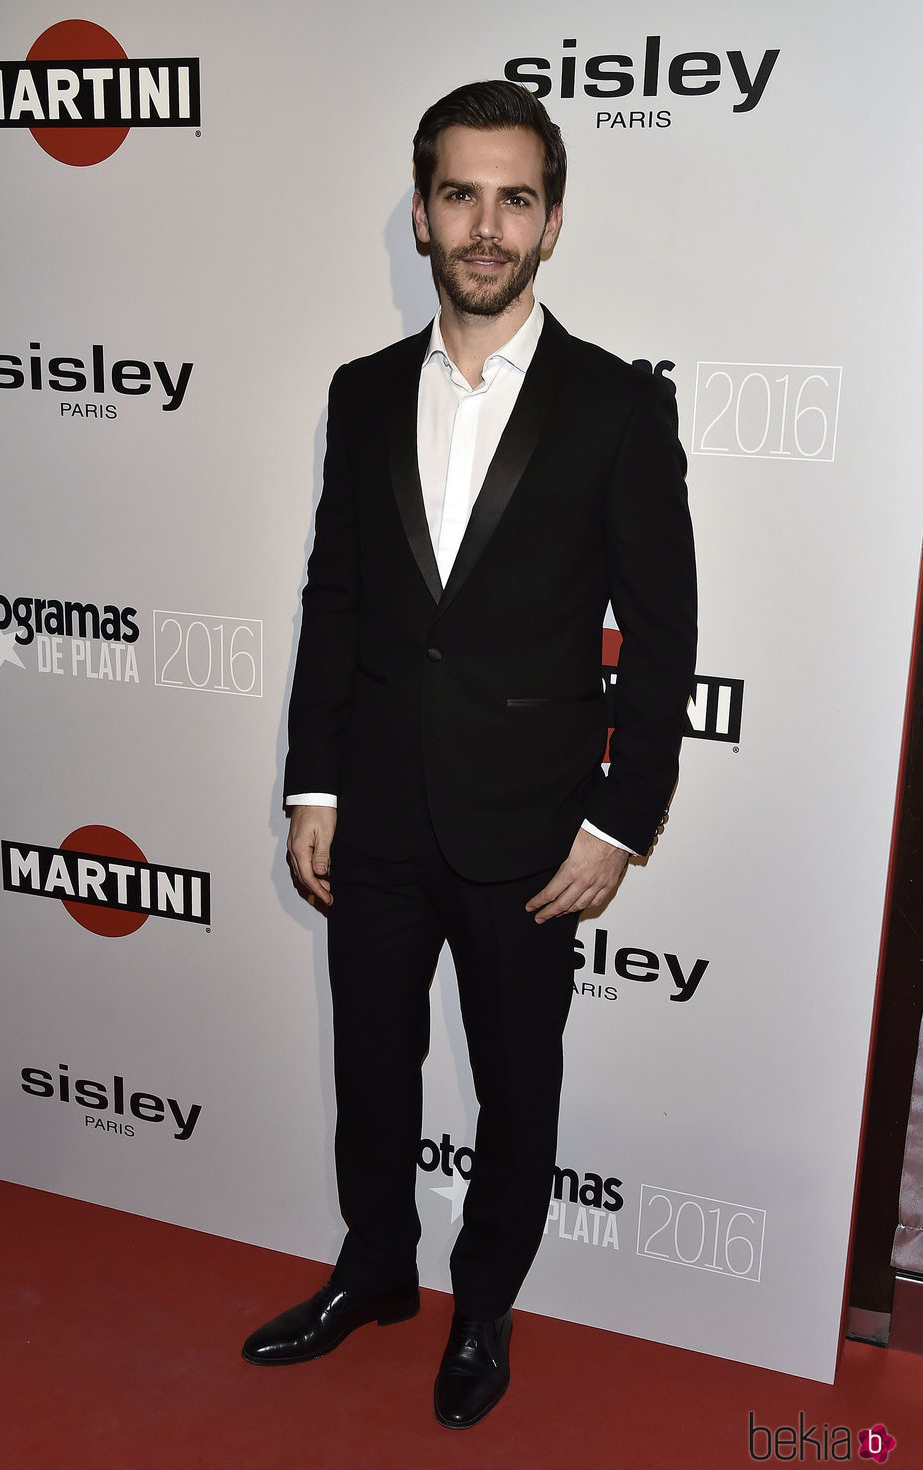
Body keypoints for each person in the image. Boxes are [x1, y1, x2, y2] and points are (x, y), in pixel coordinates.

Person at [242, 79, 697, 1429]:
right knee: (370, 1067)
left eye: (514, 198)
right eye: (460, 195)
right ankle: (374, 1266)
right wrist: (311, 779)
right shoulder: (362, 390)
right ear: (425, 213)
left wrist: (619, 821)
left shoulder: (616, 405)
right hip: (372, 813)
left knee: (518, 1085)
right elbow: (337, 592)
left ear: (552, 222)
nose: (485, 225)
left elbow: (662, 635)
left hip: (530, 831)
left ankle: (483, 1300)